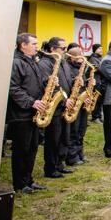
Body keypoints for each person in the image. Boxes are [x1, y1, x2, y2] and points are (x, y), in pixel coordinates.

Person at [7, 33, 48, 194]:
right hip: (21, 114)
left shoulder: (32, 61)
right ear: (23, 45)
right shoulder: (16, 62)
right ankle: (19, 184)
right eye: (33, 44)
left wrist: (48, 82)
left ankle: (28, 180)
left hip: (33, 113)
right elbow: (13, 88)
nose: (36, 46)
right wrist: (31, 102)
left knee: (32, 148)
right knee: (21, 150)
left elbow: (37, 82)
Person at [38, 37, 74, 178]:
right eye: (63, 48)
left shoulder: (63, 62)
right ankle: (51, 167)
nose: (65, 51)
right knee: (53, 139)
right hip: (55, 105)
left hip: (66, 104)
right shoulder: (44, 63)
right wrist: (64, 100)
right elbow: (47, 86)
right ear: (53, 49)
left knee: (64, 137)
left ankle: (60, 163)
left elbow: (67, 80)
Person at [88, 43, 104, 124]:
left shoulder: (100, 58)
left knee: (100, 100)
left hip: (101, 81)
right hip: (96, 81)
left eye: (102, 48)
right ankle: (95, 117)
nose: (101, 50)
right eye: (99, 48)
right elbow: (99, 69)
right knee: (96, 100)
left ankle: (99, 116)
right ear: (95, 49)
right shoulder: (92, 58)